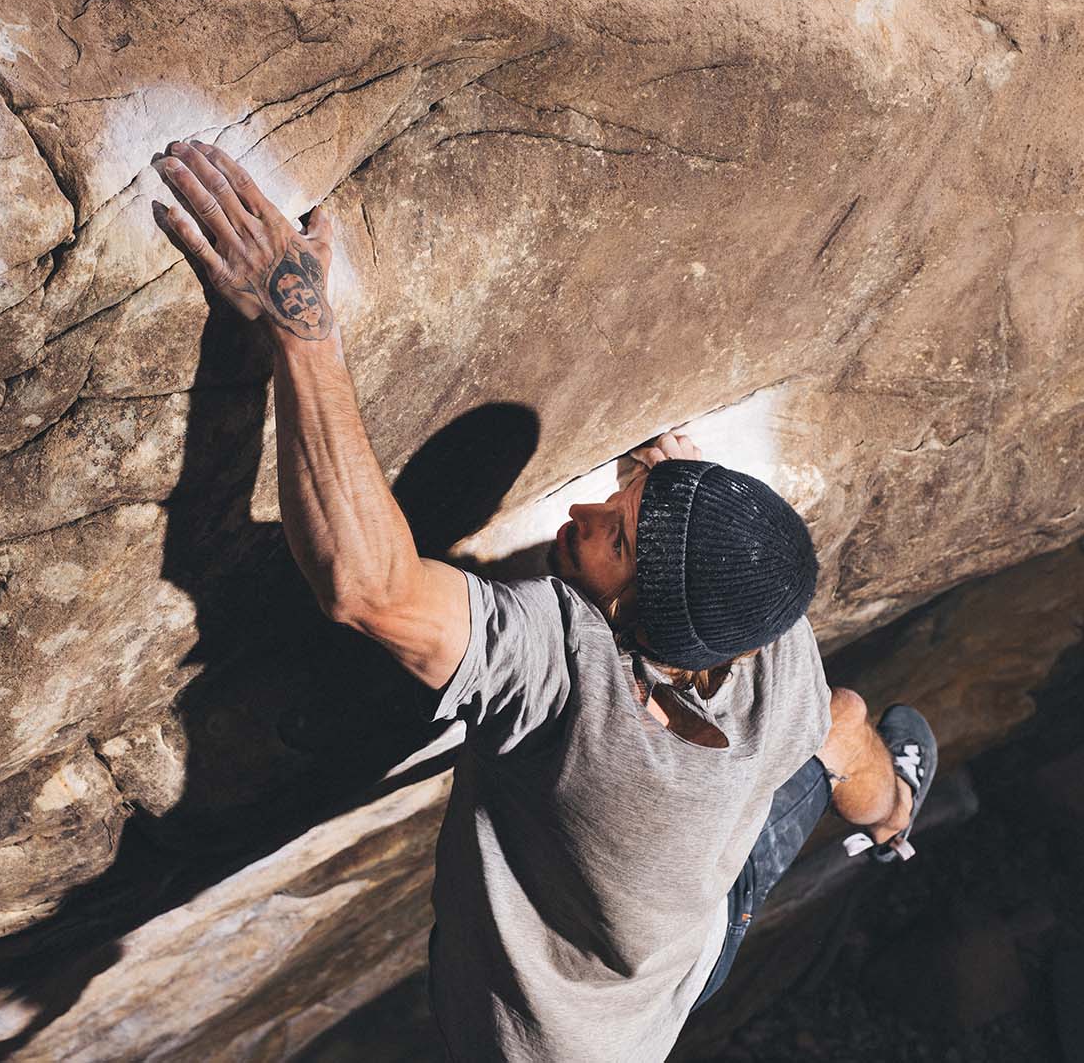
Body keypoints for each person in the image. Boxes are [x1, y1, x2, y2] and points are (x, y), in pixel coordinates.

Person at [152, 140, 938, 1062]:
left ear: (642, 633)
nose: (581, 511)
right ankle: (894, 820)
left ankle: (888, 813)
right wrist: (671, 493)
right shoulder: (769, 643)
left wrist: (301, 329)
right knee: (842, 724)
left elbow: (368, 586)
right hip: (678, 969)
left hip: (527, 1046)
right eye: (624, 501)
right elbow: (823, 707)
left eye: (616, 536)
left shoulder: (566, 678)